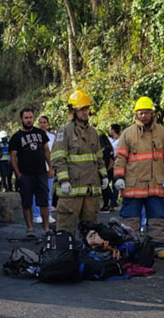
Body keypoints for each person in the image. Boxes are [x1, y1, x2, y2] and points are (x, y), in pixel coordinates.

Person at [114, 97, 164, 259]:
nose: (143, 116)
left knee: (157, 217)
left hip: (156, 184)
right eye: (140, 113)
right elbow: (120, 158)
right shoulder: (128, 134)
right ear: (136, 114)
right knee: (130, 219)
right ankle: (130, 246)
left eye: (146, 113)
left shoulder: (162, 132)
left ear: (152, 113)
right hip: (133, 185)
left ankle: (158, 246)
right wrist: (119, 177)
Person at [51, 90, 108, 234]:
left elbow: (99, 157)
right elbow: (58, 158)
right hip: (71, 189)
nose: (85, 112)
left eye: (86, 108)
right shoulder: (64, 132)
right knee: (65, 227)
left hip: (90, 189)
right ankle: (65, 248)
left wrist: (104, 176)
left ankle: (88, 248)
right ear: (73, 111)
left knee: (91, 229)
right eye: (81, 109)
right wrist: (64, 180)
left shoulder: (93, 133)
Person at [9, 108, 53, 238]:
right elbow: (13, 157)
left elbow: (46, 151)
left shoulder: (40, 133)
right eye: (26, 118)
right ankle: (30, 229)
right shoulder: (16, 137)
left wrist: (51, 167)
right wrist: (18, 174)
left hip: (41, 173)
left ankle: (46, 228)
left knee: (43, 201)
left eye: (30, 117)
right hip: (25, 175)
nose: (29, 120)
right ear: (22, 119)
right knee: (27, 203)